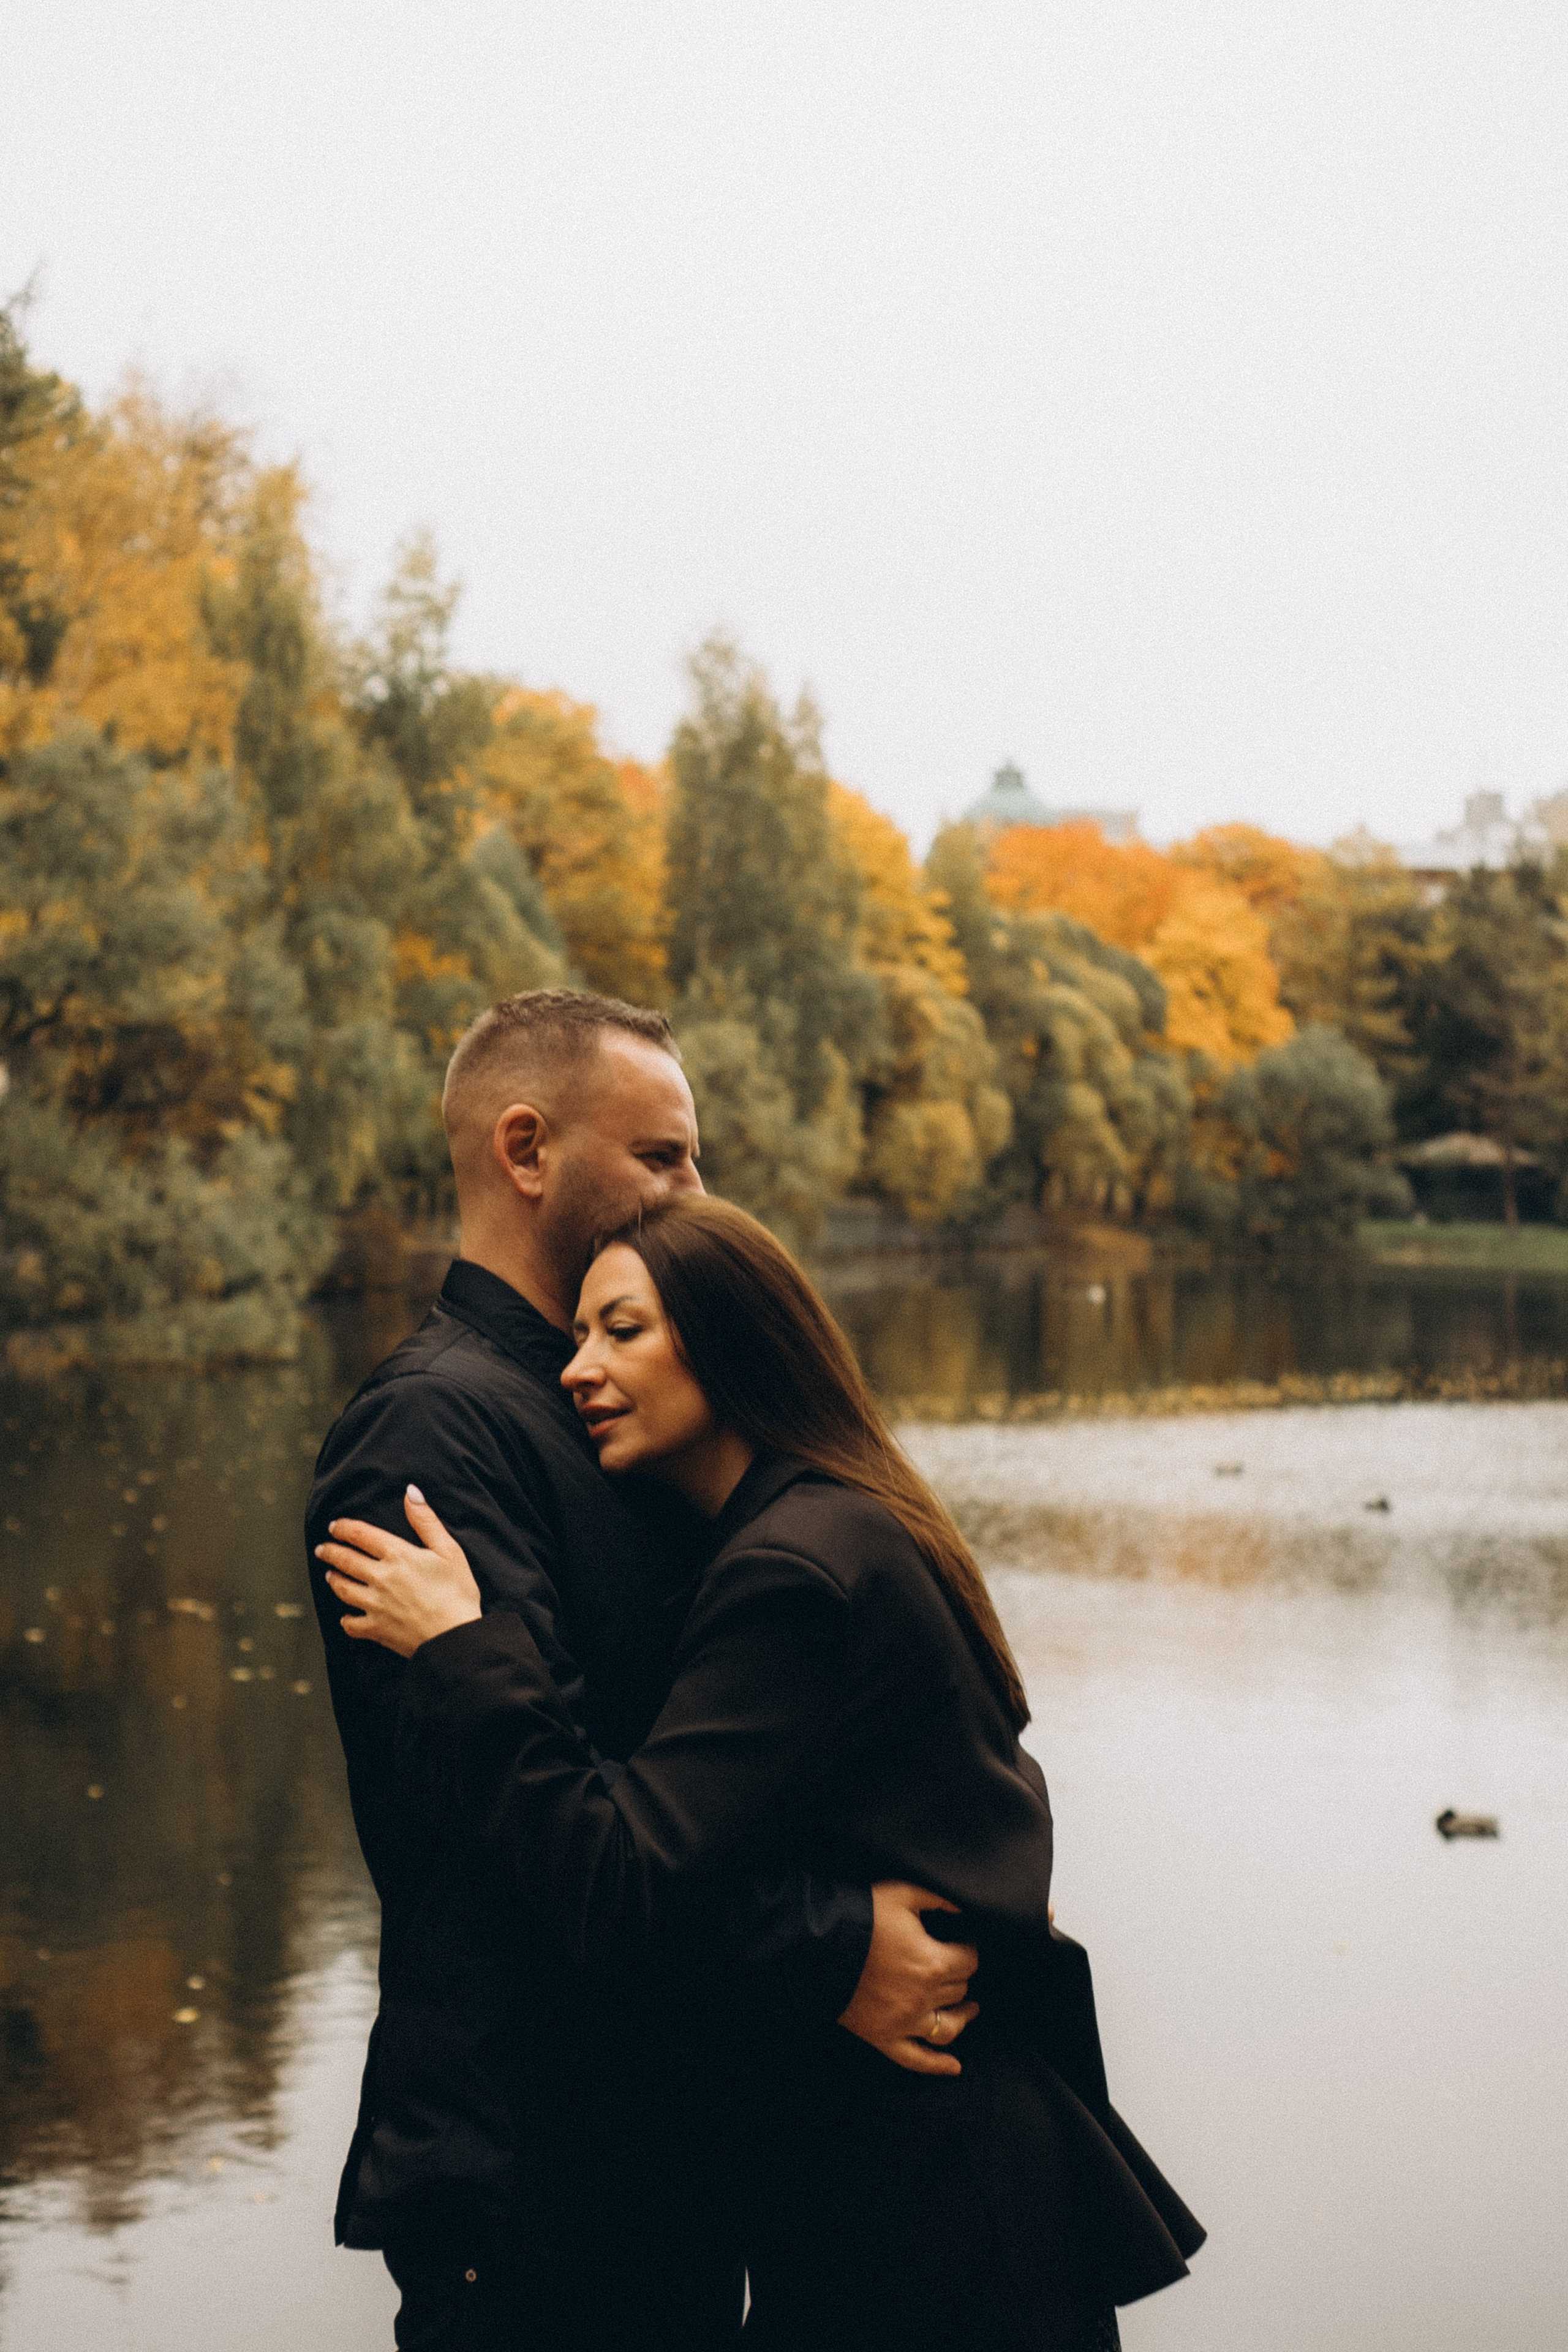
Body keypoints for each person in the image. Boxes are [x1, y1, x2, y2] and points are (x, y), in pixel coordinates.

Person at [318, 1192, 1207, 2351]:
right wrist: (847, 1939)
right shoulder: (835, 1520)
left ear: (734, 1341)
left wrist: (465, 1651)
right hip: (922, 2171)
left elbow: (623, 1869)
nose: (576, 1370)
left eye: (621, 1331)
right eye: (579, 1333)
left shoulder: (797, 1568)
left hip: (929, 2209)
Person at [306, 990, 978, 2352]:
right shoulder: (432, 1431)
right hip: (535, 2182)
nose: (695, 1189)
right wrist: (824, 1952)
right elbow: (513, 1825)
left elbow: (713, 1767)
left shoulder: (602, 1410)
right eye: (663, 1156)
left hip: (655, 2158)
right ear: (525, 1150)